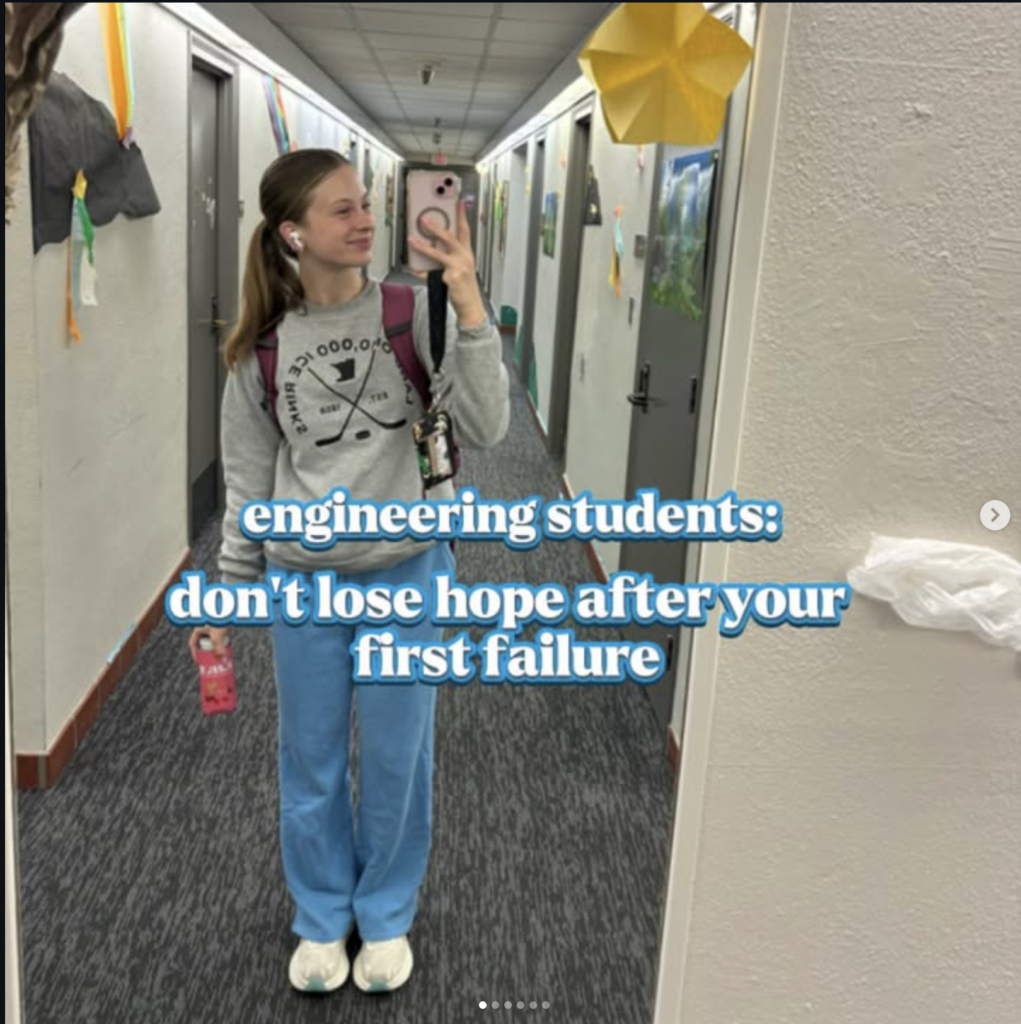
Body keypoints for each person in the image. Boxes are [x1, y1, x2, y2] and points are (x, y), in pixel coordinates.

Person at [188, 148, 510, 995]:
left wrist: (469, 302)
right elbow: (248, 483)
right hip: (304, 580)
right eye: (341, 210)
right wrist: (226, 598)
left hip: (408, 570)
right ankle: (324, 916)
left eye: (364, 204)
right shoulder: (260, 350)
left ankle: (388, 913)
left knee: (402, 759)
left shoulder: (414, 311)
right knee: (312, 759)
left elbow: (485, 426)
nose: (364, 219)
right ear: (293, 233)